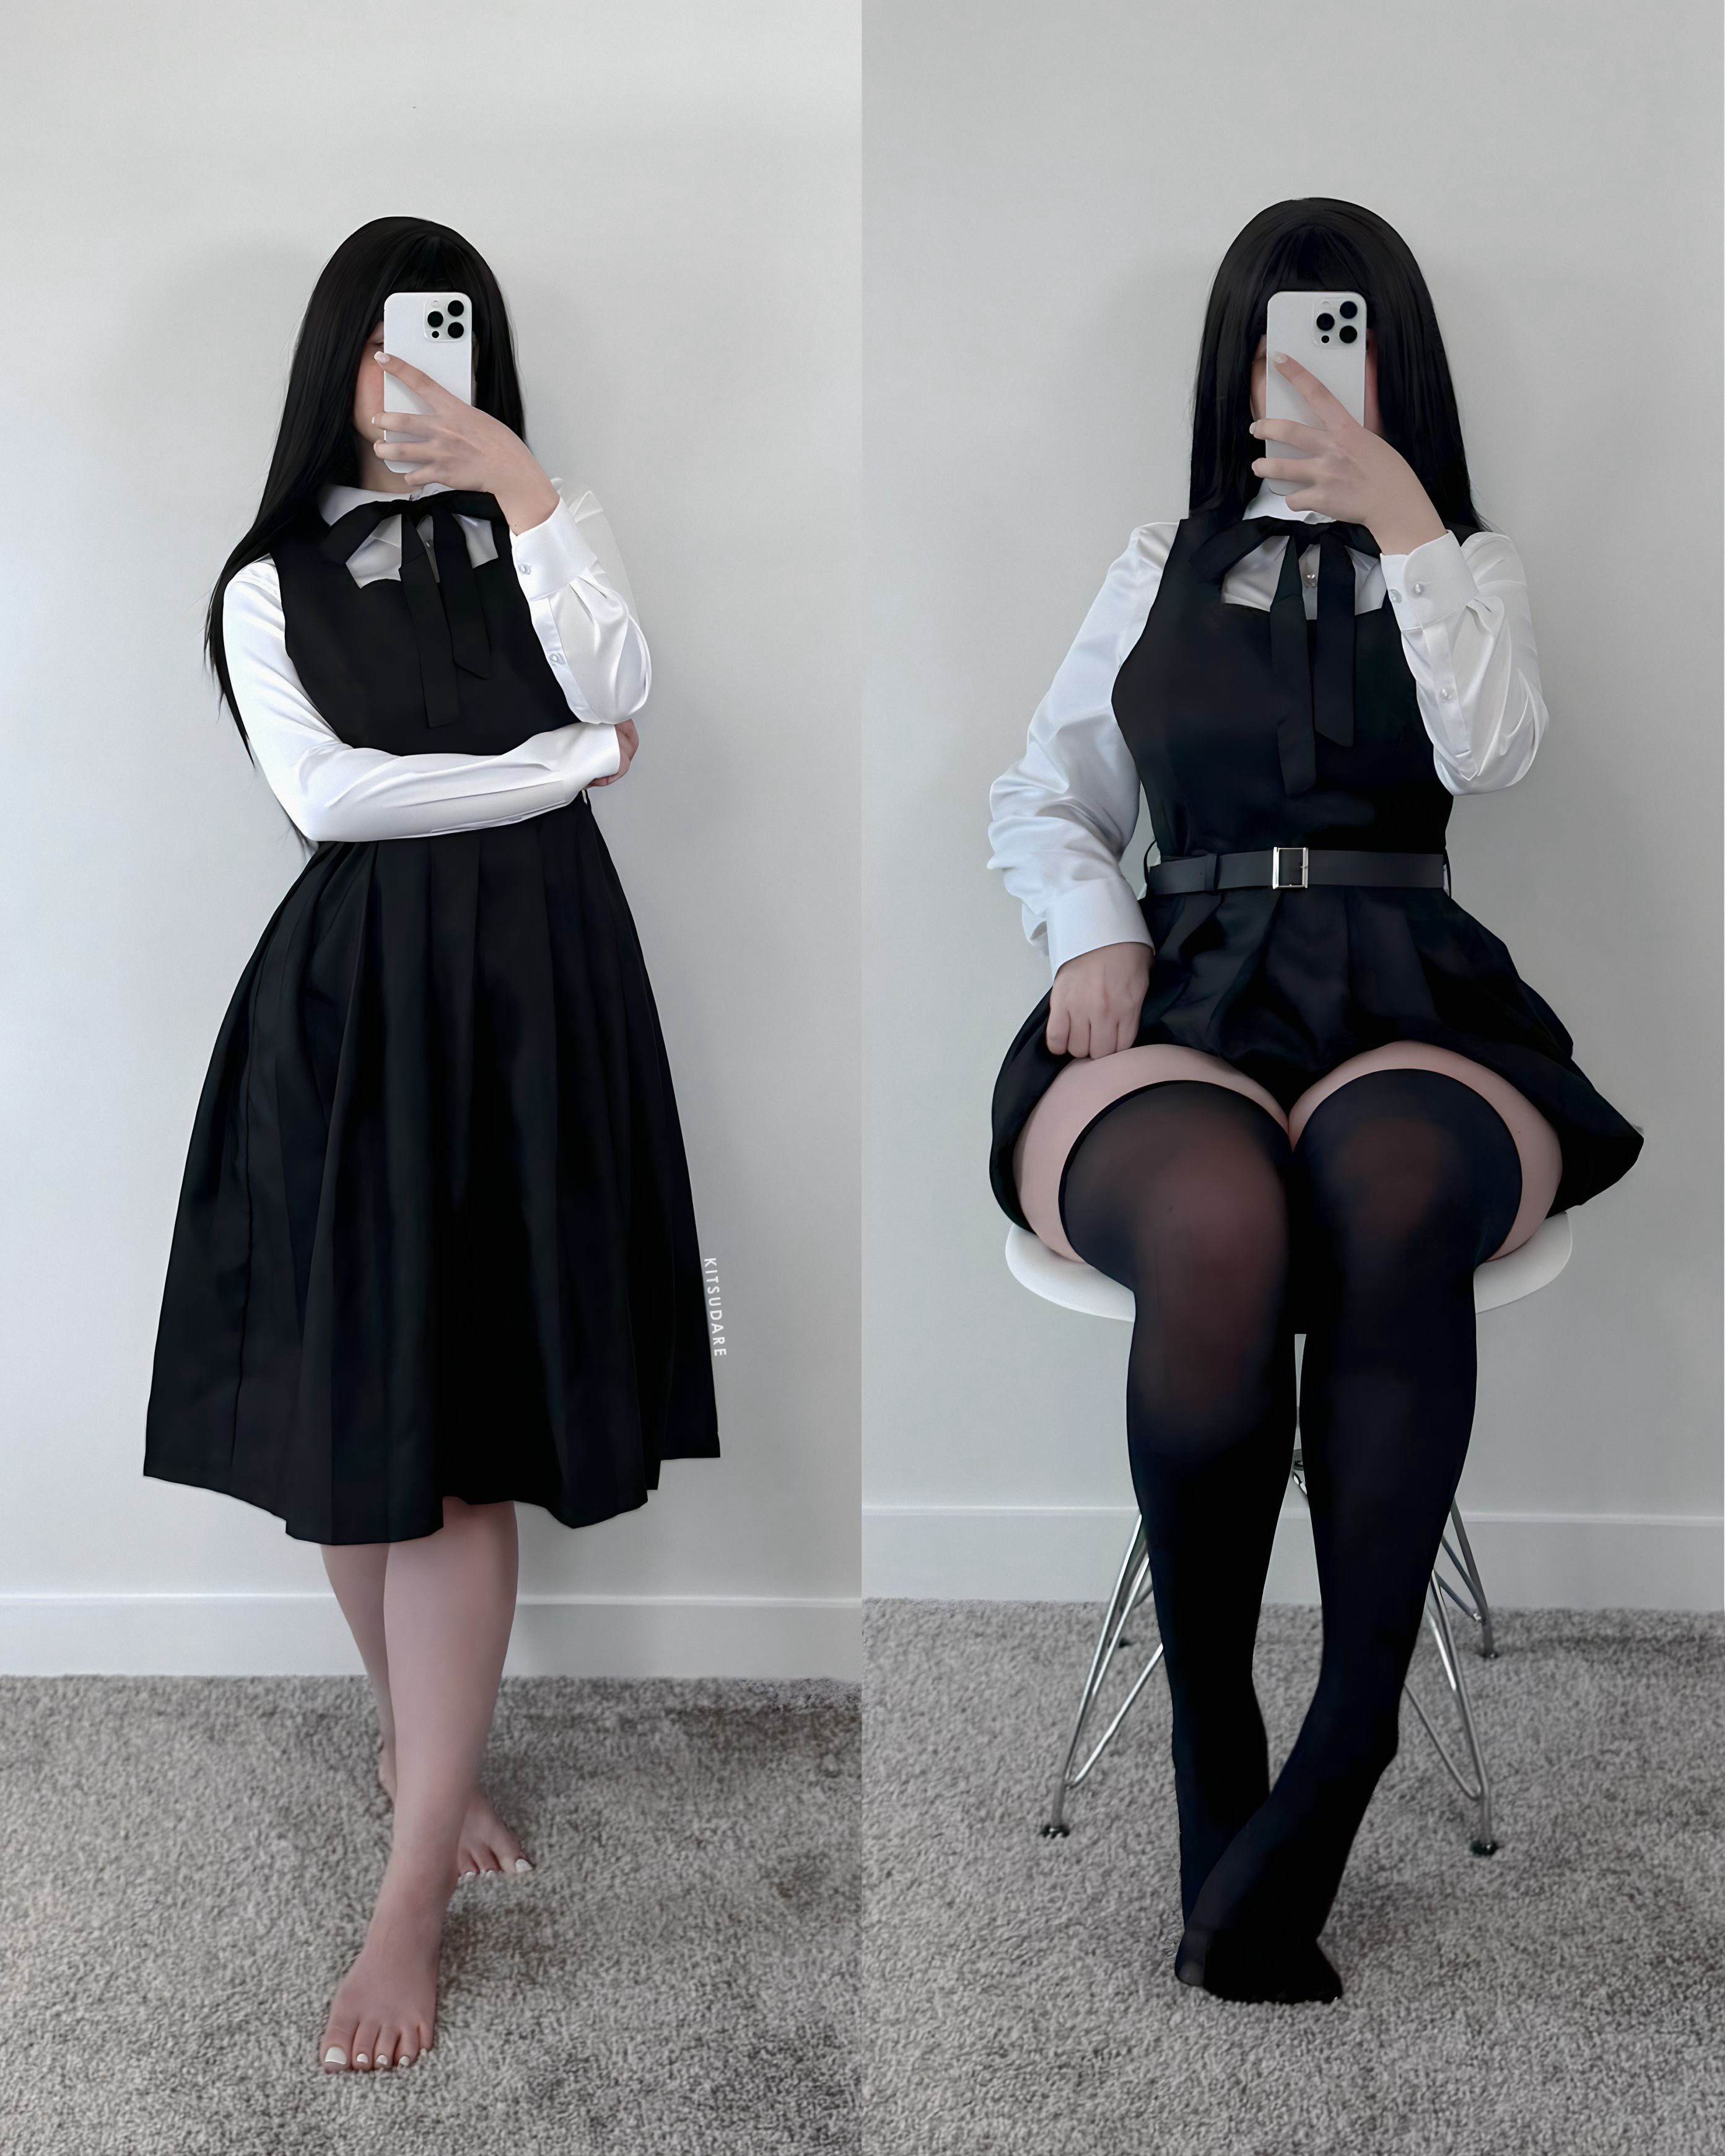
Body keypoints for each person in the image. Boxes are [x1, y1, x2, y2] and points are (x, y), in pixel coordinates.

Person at [986, 198, 1641, 2004]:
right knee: (1218, 1219)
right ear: (1234, 366)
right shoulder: (1158, 557)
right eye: (1280, 344)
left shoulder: (1466, 561)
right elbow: (1044, 792)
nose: (1308, 378)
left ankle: (1351, 1732)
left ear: (1394, 363)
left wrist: (1406, 522)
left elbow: (1491, 751)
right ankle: (1217, 1729)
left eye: (1342, 341)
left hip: (1405, 988)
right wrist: (1089, 925)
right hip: (1186, 982)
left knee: (1392, 1184)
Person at [144, 216, 719, 2070]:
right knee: (360, 1436)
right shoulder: (265, 581)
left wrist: (527, 490)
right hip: (355, 1013)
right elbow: (331, 800)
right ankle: (423, 1760)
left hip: (540, 1004)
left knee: (463, 1444)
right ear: (341, 359)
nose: (420, 370)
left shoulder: (551, 529)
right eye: (393, 337)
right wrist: (561, 772)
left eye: (450, 333)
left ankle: (407, 1894)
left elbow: (619, 678)